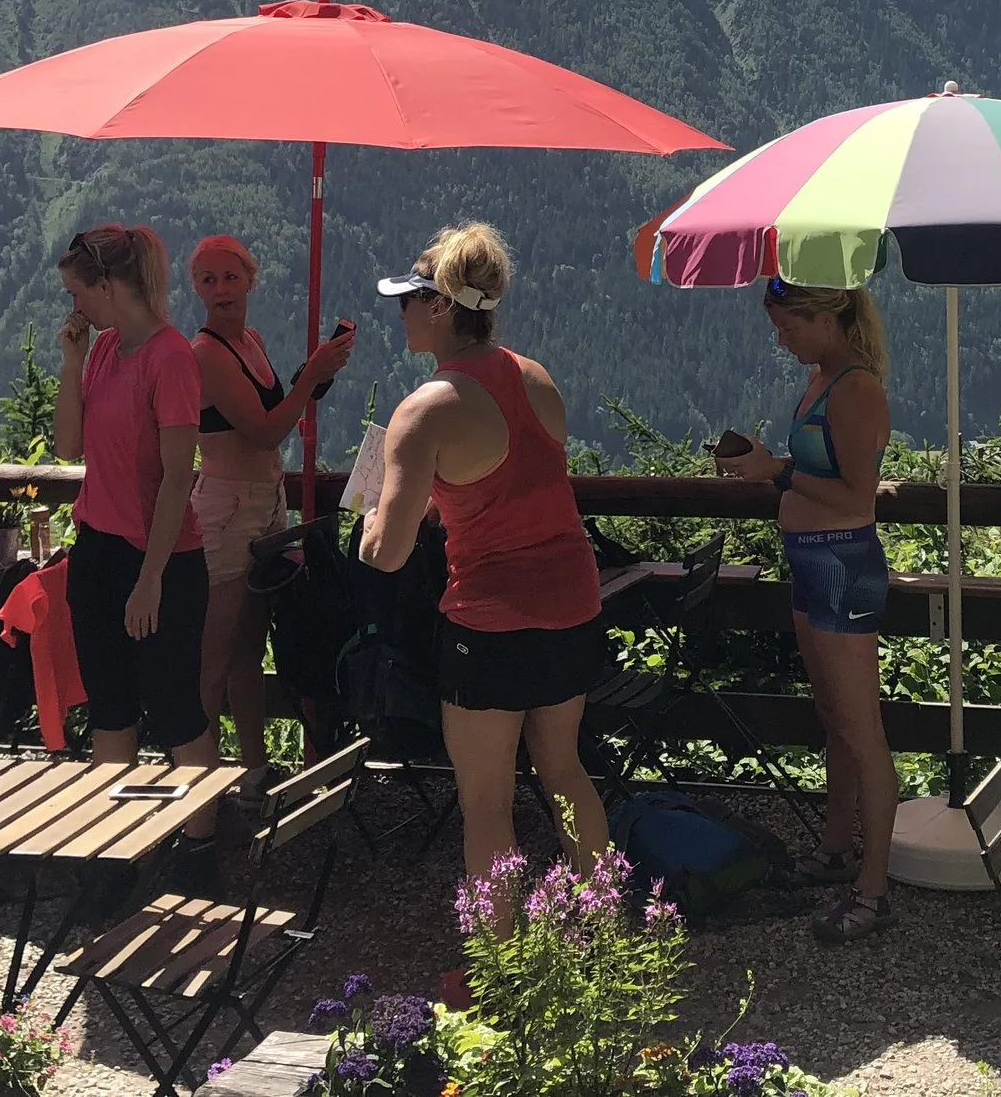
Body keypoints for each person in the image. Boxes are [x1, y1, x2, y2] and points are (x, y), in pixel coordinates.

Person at [360, 223, 610, 901]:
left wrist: (370, 523)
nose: (400, 311)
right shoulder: (535, 377)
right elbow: (513, 482)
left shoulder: (426, 411)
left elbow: (388, 554)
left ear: (440, 305)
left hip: (490, 620)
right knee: (566, 773)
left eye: (408, 298)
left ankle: (500, 953)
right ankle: (607, 929)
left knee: (487, 801)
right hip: (572, 600)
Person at [718, 277, 898, 943]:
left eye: (788, 326)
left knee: (862, 731)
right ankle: (836, 847)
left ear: (825, 319)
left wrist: (778, 473)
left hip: (841, 565)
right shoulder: (822, 378)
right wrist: (772, 468)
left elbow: (856, 496)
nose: (781, 339)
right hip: (812, 562)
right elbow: (817, 476)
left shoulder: (855, 388)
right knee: (834, 719)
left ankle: (873, 891)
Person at [51, 226, 219, 837]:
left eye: (77, 292)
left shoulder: (171, 358)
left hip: (162, 560)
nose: (74, 306)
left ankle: (200, 846)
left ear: (107, 285)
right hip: (98, 549)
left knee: (176, 711)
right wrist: (71, 362)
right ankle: (111, 847)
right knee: (110, 709)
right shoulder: (102, 349)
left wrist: (150, 579)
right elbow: (67, 447)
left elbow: (178, 479)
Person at [186, 234, 354, 787]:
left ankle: (253, 771)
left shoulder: (249, 341)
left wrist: (315, 375)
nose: (220, 289)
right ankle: (199, 783)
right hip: (227, 506)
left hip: (265, 502)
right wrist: (311, 375)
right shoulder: (206, 352)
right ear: (196, 289)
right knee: (215, 651)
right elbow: (264, 432)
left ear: (250, 281)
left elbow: (274, 410)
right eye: (208, 279)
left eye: (230, 277)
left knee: (249, 646)